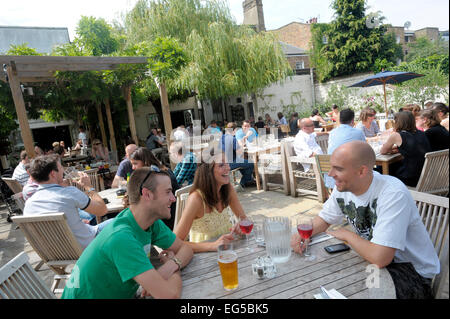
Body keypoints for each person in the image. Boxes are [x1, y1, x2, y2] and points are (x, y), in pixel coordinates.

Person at [291, 141, 439, 299]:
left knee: (343, 287)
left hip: (413, 274)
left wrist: (347, 235)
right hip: (374, 264)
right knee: (319, 281)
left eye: (338, 169)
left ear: (361, 171)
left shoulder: (392, 194)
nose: (330, 174)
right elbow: (325, 219)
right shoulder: (344, 187)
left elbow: (380, 258)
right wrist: (305, 232)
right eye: (332, 166)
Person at [62, 167, 194, 299]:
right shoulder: (121, 237)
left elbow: (185, 248)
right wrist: (174, 270)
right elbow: (170, 296)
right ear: (147, 194)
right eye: (168, 192)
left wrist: (169, 267)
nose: (173, 198)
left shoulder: (150, 222)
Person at [23, 154, 110, 249]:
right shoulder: (69, 192)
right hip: (87, 247)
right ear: (53, 173)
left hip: (57, 252)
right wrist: (88, 187)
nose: (63, 171)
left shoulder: (29, 204)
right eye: (60, 168)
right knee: (121, 221)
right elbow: (102, 210)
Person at [173, 152, 247, 252]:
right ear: (208, 172)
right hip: (202, 259)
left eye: (227, 163)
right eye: (221, 165)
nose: (228, 168)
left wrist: (241, 227)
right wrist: (212, 246)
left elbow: (244, 220)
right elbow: (175, 243)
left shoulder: (227, 189)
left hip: (228, 251)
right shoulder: (196, 199)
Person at [130, 147, 180, 230]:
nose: (133, 167)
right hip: (174, 216)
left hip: (165, 221)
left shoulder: (155, 179)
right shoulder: (164, 171)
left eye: (135, 163)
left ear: (145, 162)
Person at [380, 111, 431, 187]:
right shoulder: (421, 133)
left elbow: (383, 151)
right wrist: (397, 149)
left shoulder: (397, 135)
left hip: (411, 178)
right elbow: (413, 148)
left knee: (381, 168)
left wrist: (392, 150)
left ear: (398, 122)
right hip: (426, 176)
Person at [325, 108, 366, 188]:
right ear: (352, 120)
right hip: (348, 174)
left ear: (339, 120)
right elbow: (364, 151)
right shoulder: (357, 132)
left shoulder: (332, 132)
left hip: (333, 174)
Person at [221, 122, 256, 188]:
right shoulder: (232, 138)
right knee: (251, 164)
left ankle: (249, 180)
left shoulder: (221, 137)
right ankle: (243, 183)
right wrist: (241, 145)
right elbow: (239, 152)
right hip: (229, 163)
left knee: (243, 162)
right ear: (234, 130)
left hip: (220, 163)